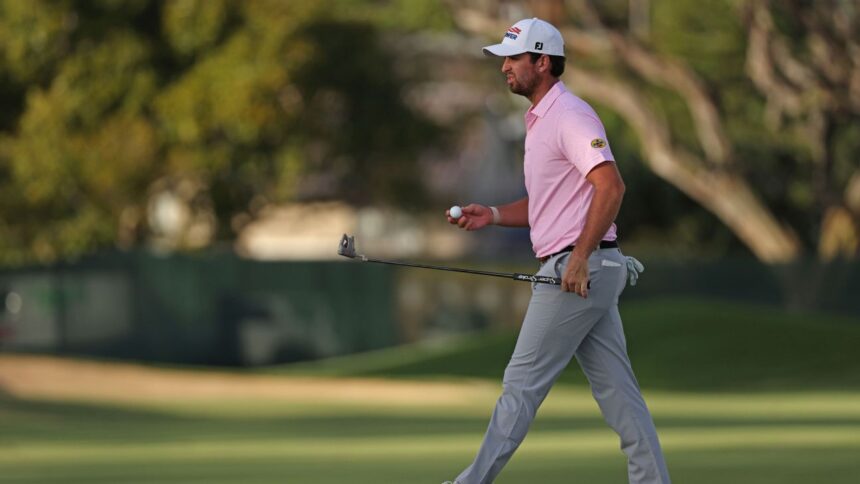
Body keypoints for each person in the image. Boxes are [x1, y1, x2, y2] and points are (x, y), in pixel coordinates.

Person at [442, 17, 671, 484]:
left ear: (542, 61)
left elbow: (611, 187)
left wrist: (581, 257)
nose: (504, 67)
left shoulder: (569, 115)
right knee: (620, 397)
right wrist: (492, 213)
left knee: (519, 387)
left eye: (514, 58)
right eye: (503, 59)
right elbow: (552, 203)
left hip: (577, 266)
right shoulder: (542, 121)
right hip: (588, 265)